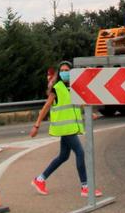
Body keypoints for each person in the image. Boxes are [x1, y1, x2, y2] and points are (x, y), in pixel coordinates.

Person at [29, 61, 101, 198]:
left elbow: (76, 105)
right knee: (80, 153)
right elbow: (46, 107)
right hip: (65, 129)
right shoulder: (57, 88)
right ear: (59, 73)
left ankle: (40, 180)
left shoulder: (73, 88)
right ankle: (86, 187)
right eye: (62, 70)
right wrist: (36, 125)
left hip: (71, 128)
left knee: (63, 156)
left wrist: (89, 114)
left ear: (71, 72)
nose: (65, 72)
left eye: (67, 70)